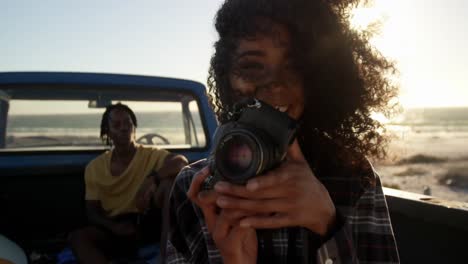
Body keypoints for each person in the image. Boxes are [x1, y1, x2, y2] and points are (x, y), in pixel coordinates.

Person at [166, 0, 400, 263]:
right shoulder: (195, 189)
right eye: (253, 66)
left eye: (294, 67)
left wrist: (327, 223)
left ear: (317, 76)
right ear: (226, 76)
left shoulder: (352, 178)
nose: (274, 86)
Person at [69, 103, 188, 264]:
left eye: (128, 123)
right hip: (114, 228)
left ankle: (166, 256)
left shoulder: (150, 155)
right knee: (78, 238)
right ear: (108, 132)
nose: (124, 128)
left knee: (169, 183)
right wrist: (113, 227)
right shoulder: (94, 168)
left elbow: (181, 162)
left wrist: (152, 179)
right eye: (116, 125)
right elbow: (92, 212)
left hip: (146, 223)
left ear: (134, 127)